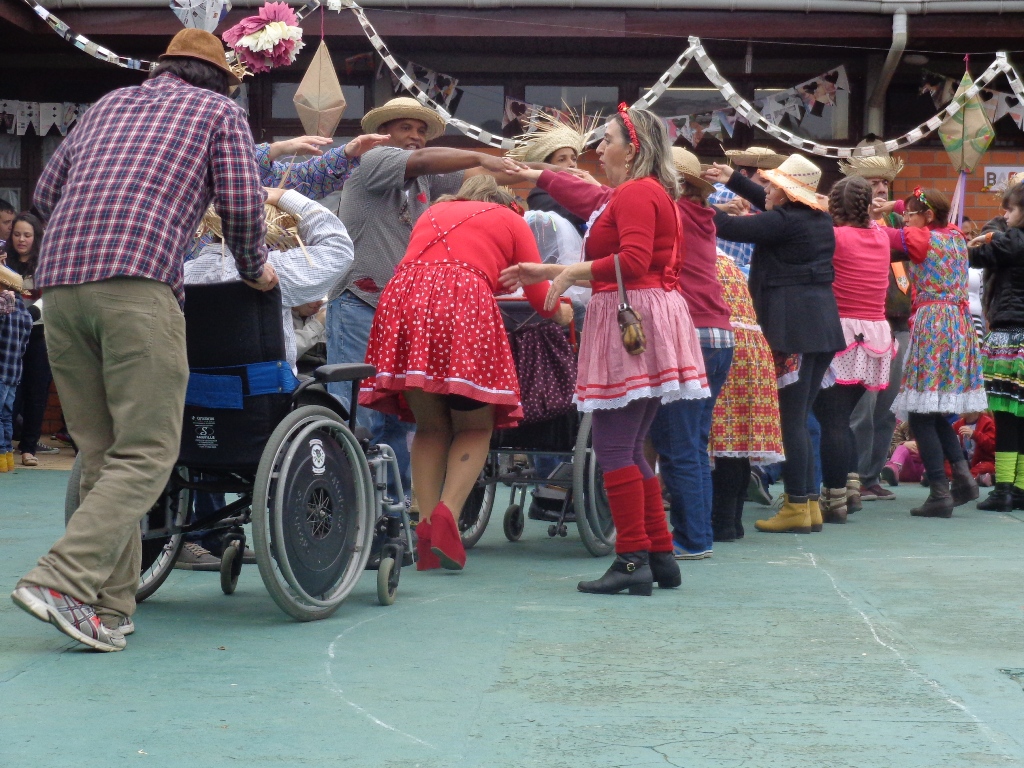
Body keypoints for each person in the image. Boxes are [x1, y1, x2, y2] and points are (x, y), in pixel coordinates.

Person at [10, 29, 275, 653]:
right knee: (150, 451)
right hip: (136, 285)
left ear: (163, 67)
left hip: (62, 289)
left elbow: (44, 197)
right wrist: (255, 267)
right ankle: (61, 578)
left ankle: (107, 606)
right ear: (221, 79)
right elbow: (240, 206)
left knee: (101, 452)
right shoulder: (218, 113)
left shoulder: (106, 106)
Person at [503, 104, 708, 596]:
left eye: (608, 140)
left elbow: (632, 261)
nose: (599, 149)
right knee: (631, 447)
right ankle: (658, 555)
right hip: (649, 315)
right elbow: (631, 254)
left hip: (629, 316)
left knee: (614, 447)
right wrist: (547, 271)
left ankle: (632, 558)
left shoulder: (637, 192)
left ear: (632, 148)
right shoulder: (648, 191)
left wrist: (571, 272)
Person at [361, 176, 572, 571]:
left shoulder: (435, 211)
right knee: (476, 425)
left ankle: (423, 529)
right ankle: (447, 515)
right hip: (462, 301)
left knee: (431, 427)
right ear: (508, 201)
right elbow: (541, 298)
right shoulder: (510, 218)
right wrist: (561, 312)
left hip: (404, 299)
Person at [326, 96, 524, 503]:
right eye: (405, 129)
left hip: (398, 315)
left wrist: (543, 171)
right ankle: (347, 509)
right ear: (384, 134)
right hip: (359, 302)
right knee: (356, 416)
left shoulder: (428, 181)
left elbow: (474, 183)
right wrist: (483, 157)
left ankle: (391, 515)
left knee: (398, 419)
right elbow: (444, 163)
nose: (414, 137)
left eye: (421, 131)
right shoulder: (374, 160)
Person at [705, 154, 844, 534]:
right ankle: (809, 503)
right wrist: (732, 178)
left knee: (791, 421)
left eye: (771, 185)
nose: (764, 190)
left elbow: (727, 228)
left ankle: (797, 505)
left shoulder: (784, 223)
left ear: (784, 192)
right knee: (801, 417)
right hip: (822, 326)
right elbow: (766, 201)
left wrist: (698, 201)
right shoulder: (815, 218)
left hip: (793, 328)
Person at [646, 148, 733, 560]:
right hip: (718, 334)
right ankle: (698, 534)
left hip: (688, 333)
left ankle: (692, 538)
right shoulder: (702, 217)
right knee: (693, 444)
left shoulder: (669, 212)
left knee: (676, 443)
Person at [880, 188, 987, 518]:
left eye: (912, 213)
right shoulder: (954, 234)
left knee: (920, 413)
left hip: (932, 326)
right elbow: (926, 214)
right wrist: (898, 204)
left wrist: (871, 213)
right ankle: (963, 479)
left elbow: (884, 235)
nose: (907, 218)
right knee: (936, 411)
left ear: (926, 217)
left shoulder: (920, 239)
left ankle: (941, 490)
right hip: (959, 325)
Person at [185, 187, 353, 374]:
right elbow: (340, 250)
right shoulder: (274, 272)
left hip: (192, 392)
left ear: (214, 227)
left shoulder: (180, 273)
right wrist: (285, 196)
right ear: (272, 231)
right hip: (264, 394)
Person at [813, 176, 895, 524]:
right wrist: (889, 207)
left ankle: (834, 498)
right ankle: (849, 487)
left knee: (830, 418)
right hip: (875, 333)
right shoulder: (881, 235)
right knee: (841, 417)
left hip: (841, 333)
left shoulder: (833, 236)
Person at [840, 141, 908, 504]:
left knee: (887, 408)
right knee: (859, 411)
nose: (881, 187)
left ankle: (870, 476)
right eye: (872, 181)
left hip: (899, 323)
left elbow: (932, 210)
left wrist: (895, 207)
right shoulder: (847, 222)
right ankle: (849, 475)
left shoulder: (897, 219)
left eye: (884, 181)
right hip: (865, 326)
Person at [707, 251, 785, 542]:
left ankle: (721, 521)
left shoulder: (694, 257)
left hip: (726, 344)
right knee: (737, 443)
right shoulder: (727, 260)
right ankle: (731, 520)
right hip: (754, 346)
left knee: (723, 442)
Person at [967, 181, 1024, 511]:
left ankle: (1002, 489)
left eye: (1011, 209)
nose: (1005, 215)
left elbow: (974, 254)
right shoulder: (1009, 240)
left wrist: (990, 232)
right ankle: (1019, 488)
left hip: (1009, 338)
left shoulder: (1009, 240)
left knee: (1004, 417)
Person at [3, 213, 54, 467]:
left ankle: (28, 447)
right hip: (9, 333)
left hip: (38, 332)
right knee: (11, 389)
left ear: (36, 237)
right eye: (17, 234)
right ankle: (6, 443)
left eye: (27, 235)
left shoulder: (45, 263)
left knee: (36, 389)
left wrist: (32, 312)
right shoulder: (4, 262)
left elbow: (52, 296)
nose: (21, 239)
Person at [508, 109, 593, 234]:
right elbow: (574, 213)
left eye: (574, 159)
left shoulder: (584, 190)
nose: (571, 164)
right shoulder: (540, 195)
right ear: (548, 166)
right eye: (562, 159)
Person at [707, 146, 785, 273]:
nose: (766, 189)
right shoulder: (724, 193)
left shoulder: (787, 216)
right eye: (764, 181)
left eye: (774, 185)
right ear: (744, 174)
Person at [0, 287, 32, 473]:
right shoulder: (23, 312)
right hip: (13, 371)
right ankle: (6, 458)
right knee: (5, 416)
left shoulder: (3, 305)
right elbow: (23, 346)